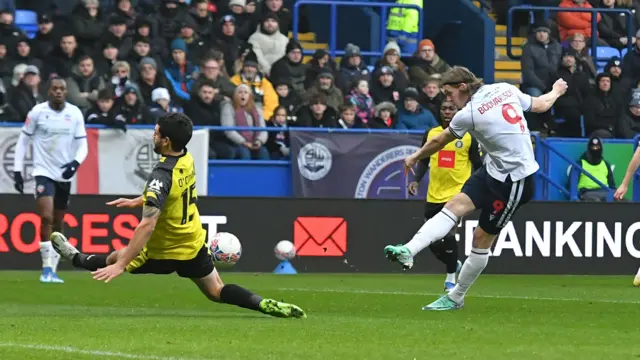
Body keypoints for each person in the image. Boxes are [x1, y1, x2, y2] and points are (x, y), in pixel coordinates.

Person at [50, 113, 306, 319]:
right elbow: (174, 194)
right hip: (193, 244)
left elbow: (148, 224)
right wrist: (141, 200)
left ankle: (77, 259)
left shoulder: (161, 174)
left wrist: (120, 264)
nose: (153, 135)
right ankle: (261, 304)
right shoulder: (187, 158)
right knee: (216, 290)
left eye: (157, 132)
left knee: (117, 255)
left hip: (162, 251)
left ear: (167, 140)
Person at [384, 66, 568, 310]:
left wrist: (415, 156)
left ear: (462, 87)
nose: (448, 101)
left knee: (481, 239)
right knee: (453, 206)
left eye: (449, 94)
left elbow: (439, 140)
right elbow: (541, 104)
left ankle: (456, 297)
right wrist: (556, 90)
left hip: (515, 181)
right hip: (492, 170)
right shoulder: (504, 89)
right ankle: (408, 249)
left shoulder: (469, 113)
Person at [13, 77, 88, 284]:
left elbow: (83, 144)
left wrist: (75, 163)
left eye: (62, 89)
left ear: (66, 91)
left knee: (58, 222)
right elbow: (22, 141)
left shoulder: (74, 113)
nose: (58, 92)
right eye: (54, 88)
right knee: (45, 217)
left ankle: (53, 269)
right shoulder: (38, 112)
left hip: (64, 174)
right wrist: (18, 171)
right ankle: (46, 268)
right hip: (43, 171)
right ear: (48, 92)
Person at [407, 100, 482, 291]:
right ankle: (453, 264)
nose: (447, 112)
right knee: (431, 239)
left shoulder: (468, 136)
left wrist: (476, 188)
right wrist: (416, 180)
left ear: (458, 112)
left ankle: (450, 278)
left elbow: (478, 165)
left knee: (449, 235)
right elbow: (424, 159)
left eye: (451, 109)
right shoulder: (432, 134)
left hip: (457, 195)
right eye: (444, 109)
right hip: (434, 194)